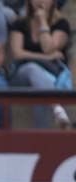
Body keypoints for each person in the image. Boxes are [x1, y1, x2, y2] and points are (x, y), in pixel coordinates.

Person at [8, 0, 71, 128]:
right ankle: (55, 105)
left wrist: (42, 21)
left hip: (51, 76)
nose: (40, 1)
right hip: (22, 75)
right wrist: (45, 57)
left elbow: (48, 47)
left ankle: (43, 138)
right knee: (32, 68)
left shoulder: (61, 24)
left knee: (40, 90)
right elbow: (17, 53)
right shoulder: (19, 23)